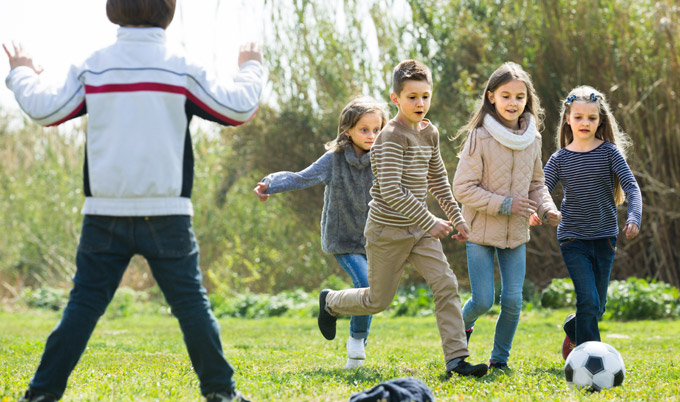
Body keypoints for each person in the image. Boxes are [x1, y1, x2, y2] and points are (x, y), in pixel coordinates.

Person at [3, 1, 264, 401]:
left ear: (113, 10)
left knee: (82, 308)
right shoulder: (182, 66)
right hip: (167, 215)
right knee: (192, 308)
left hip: (104, 214)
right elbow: (237, 108)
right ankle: (221, 394)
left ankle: (41, 394)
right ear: (169, 12)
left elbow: (46, 110)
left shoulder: (94, 65)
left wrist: (22, 70)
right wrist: (250, 65)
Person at [316, 59, 488, 379]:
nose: (420, 103)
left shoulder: (429, 132)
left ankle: (456, 359)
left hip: (419, 231)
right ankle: (331, 303)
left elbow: (438, 179)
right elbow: (392, 192)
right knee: (377, 300)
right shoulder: (391, 138)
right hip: (386, 231)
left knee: (446, 285)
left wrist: (457, 218)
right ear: (396, 99)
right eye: (412, 97)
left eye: (425, 96)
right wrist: (430, 221)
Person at [253, 96, 388, 369]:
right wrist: (270, 184)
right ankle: (357, 345)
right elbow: (302, 177)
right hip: (343, 239)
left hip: (375, 240)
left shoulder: (385, 158)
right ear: (347, 130)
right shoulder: (335, 160)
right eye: (364, 129)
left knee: (375, 293)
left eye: (377, 129)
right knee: (366, 285)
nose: (372, 135)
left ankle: (332, 304)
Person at [451, 62, 561, 370]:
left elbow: (537, 184)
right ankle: (458, 332)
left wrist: (546, 208)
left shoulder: (533, 139)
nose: (513, 102)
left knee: (513, 302)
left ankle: (499, 361)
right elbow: (462, 188)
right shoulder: (479, 137)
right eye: (506, 96)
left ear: (528, 100)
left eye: (519, 97)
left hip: (515, 234)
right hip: (479, 232)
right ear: (491, 97)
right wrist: (505, 204)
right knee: (483, 300)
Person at [542, 85, 642, 356]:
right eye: (578, 117)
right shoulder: (559, 159)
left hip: (605, 237)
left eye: (591, 118)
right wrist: (543, 210)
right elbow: (541, 190)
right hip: (572, 238)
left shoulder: (609, 152)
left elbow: (631, 187)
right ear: (567, 119)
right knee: (587, 298)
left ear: (600, 120)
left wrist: (634, 216)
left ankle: (574, 329)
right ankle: (591, 357)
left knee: (597, 306)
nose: (584, 122)